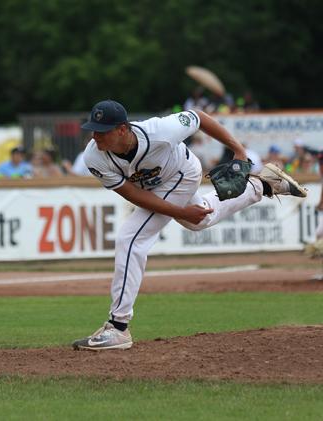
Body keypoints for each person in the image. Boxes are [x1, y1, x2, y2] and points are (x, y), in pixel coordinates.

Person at [72, 99, 307, 351]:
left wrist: (239, 151)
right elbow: (133, 195)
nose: (95, 135)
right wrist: (182, 212)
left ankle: (118, 327)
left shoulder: (160, 131)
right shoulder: (93, 156)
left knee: (131, 238)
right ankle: (263, 185)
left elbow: (199, 117)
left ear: (122, 129)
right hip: (152, 187)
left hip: (183, 173)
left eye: (102, 130)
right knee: (200, 220)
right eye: (93, 128)